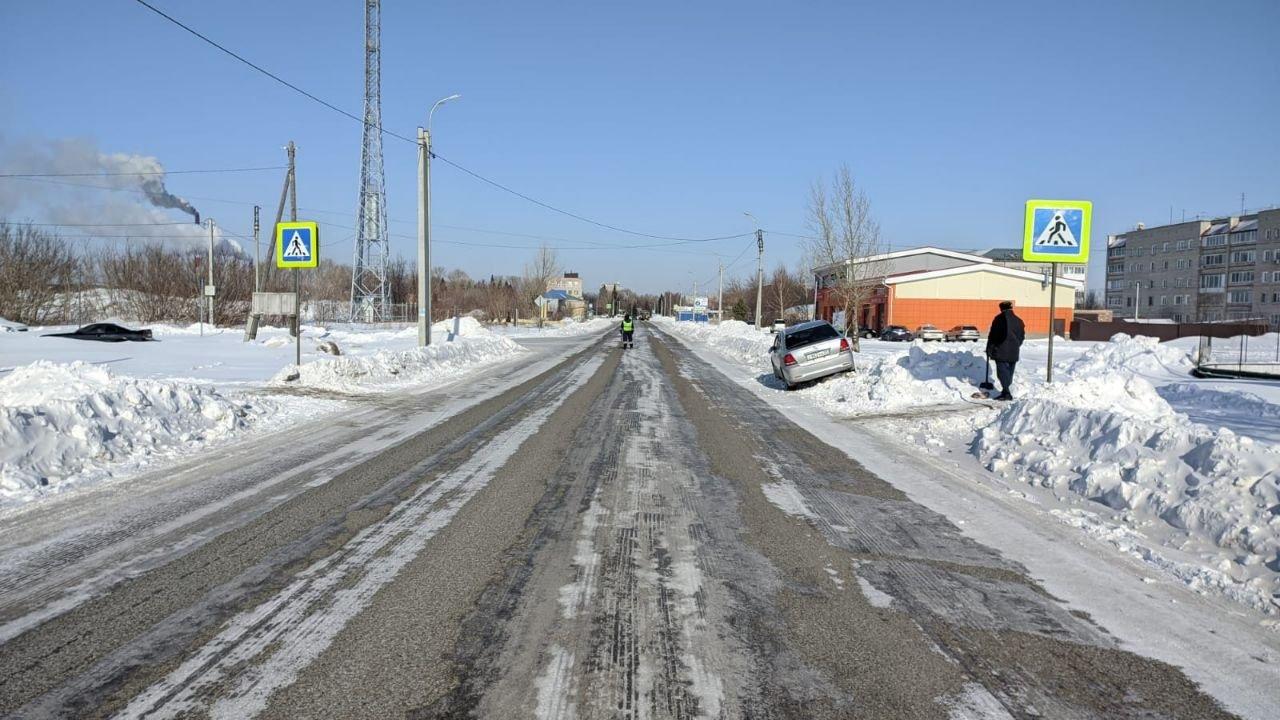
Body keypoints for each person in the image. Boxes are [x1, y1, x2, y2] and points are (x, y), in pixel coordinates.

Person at [985, 300, 1025, 401]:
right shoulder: (1019, 320)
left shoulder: (999, 319)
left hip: (1001, 351)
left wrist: (990, 348)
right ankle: (1006, 391)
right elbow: (1022, 336)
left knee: (1002, 372)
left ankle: (1006, 392)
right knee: (1009, 372)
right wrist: (1016, 345)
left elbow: (993, 336)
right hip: (1014, 351)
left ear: (1001, 308)